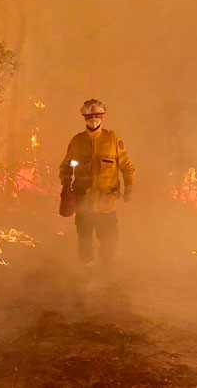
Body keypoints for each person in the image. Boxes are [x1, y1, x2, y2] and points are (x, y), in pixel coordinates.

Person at [59, 98, 135, 267]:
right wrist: (66, 184)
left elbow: (127, 166)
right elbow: (66, 166)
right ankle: (87, 275)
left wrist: (129, 185)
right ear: (84, 117)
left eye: (97, 115)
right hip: (83, 203)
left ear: (102, 116)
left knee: (109, 240)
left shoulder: (113, 139)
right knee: (85, 239)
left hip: (107, 204)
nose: (93, 119)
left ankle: (108, 272)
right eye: (90, 116)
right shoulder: (77, 142)